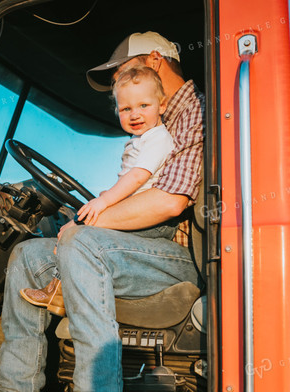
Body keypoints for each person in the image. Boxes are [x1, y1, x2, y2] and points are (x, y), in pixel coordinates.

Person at [0, 31, 204, 392]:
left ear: (154, 62)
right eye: (125, 99)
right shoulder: (158, 122)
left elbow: (168, 201)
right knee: (29, 255)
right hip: (134, 246)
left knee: (81, 243)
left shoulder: (192, 112)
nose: (130, 101)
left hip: (170, 254)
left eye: (129, 75)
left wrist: (88, 223)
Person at [20, 66, 175, 317]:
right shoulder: (140, 140)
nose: (135, 114)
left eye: (144, 105)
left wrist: (103, 201)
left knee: (79, 234)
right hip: (135, 211)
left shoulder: (158, 138)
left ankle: (58, 289)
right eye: (126, 109)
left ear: (163, 105)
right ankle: (59, 289)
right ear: (117, 111)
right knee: (77, 228)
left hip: (152, 222)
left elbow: (137, 177)